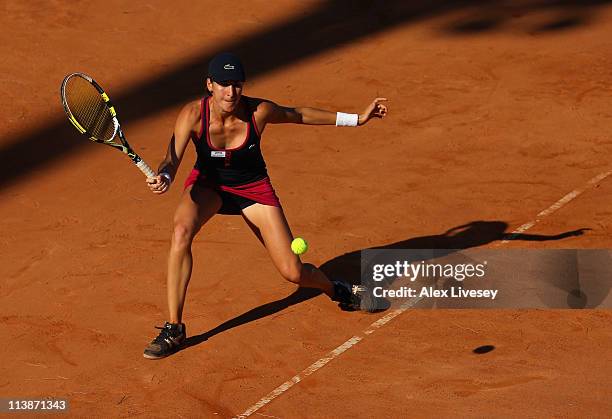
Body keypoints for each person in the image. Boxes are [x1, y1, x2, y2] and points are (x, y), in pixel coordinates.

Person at [143, 52, 388, 359]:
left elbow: (299, 114)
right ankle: (174, 328)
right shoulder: (192, 115)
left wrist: (356, 119)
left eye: (236, 84)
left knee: (293, 271)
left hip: (252, 188)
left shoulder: (259, 112)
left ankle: (337, 290)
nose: (231, 92)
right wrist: (165, 174)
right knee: (181, 231)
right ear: (209, 85)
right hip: (209, 185)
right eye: (223, 84)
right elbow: (172, 157)